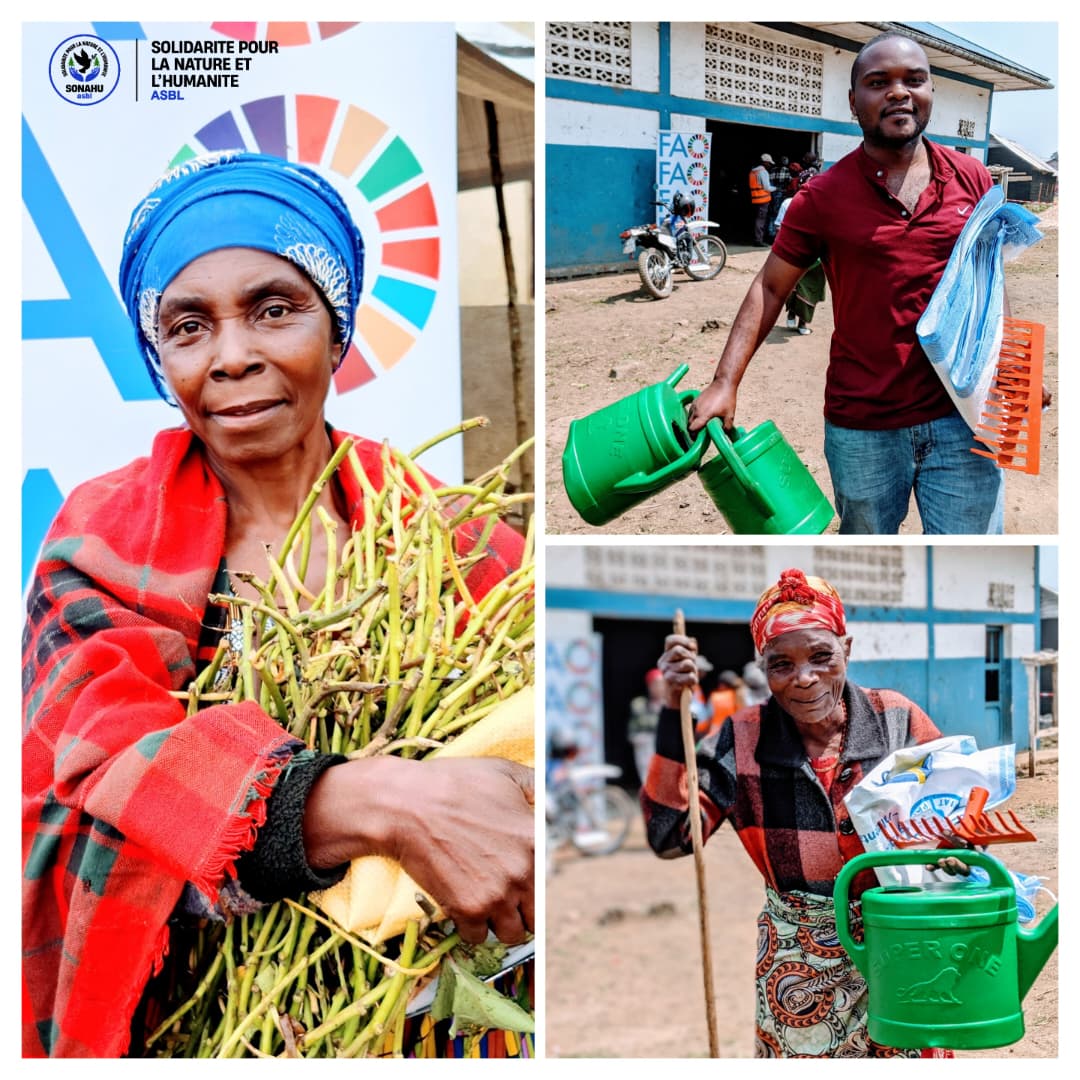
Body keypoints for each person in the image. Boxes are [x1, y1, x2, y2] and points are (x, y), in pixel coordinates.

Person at [22, 152, 534, 1058]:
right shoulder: (102, 540)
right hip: (208, 1024)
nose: (233, 356)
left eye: (273, 309)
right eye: (188, 326)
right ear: (159, 358)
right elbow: (97, 764)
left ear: (334, 329)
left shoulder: (453, 538)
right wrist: (378, 801)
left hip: (430, 1021)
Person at [687, 32, 1051, 534]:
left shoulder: (972, 179)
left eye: (914, 81)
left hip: (965, 417)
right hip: (864, 425)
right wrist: (725, 382)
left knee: (968, 552)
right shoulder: (822, 198)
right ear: (854, 101)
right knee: (868, 552)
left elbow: (989, 280)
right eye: (879, 83)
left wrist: (1014, 375)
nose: (899, 92)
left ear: (929, 93)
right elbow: (770, 287)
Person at [640, 568, 960, 1057]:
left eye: (821, 656)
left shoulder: (896, 717)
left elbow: (958, 822)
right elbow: (669, 836)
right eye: (781, 664)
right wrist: (672, 712)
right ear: (762, 668)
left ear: (846, 649)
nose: (804, 678)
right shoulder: (743, 737)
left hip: (905, 949)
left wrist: (955, 852)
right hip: (797, 966)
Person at [627, 668, 666, 784]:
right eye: (655, 684)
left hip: (665, 748)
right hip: (646, 747)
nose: (658, 688)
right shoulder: (639, 705)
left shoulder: (671, 705)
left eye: (661, 684)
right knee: (648, 779)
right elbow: (633, 729)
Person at [748, 153, 775, 245]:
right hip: (763, 200)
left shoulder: (753, 171)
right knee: (761, 220)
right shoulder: (763, 172)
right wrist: (776, 188)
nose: (770, 165)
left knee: (756, 219)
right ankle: (758, 240)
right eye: (769, 163)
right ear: (765, 162)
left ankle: (756, 238)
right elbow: (767, 187)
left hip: (755, 199)